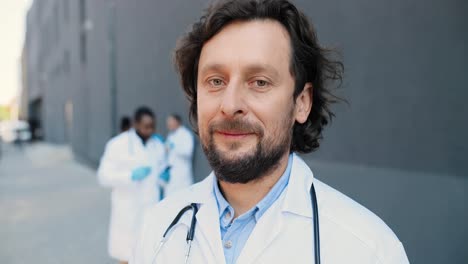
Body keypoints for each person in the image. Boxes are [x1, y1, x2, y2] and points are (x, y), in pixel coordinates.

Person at [131, 1, 410, 263]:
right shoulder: (158, 228)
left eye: (259, 82)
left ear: (301, 103)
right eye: (215, 81)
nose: (230, 105)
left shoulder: (369, 250)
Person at [98, 106, 166, 264]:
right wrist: (130, 176)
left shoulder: (157, 145)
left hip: (151, 206)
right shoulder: (118, 145)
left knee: (149, 253)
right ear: (135, 124)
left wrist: (163, 177)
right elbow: (103, 176)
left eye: (153, 126)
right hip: (128, 210)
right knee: (126, 255)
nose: (150, 130)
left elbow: (160, 171)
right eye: (146, 126)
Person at [159, 114, 194, 198]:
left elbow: (187, 151)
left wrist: (174, 147)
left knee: (183, 199)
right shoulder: (171, 135)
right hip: (171, 174)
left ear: (177, 122)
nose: (168, 125)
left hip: (182, 174)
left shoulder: (185, 134)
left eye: (170, 122)